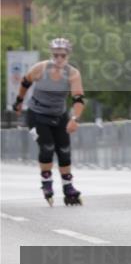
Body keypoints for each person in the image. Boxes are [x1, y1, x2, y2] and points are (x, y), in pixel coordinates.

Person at [12, 37, 86, 206]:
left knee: (64, 150)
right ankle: (47, 183)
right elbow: (25, 82)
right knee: (47, 147)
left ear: (68, 56)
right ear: (51, 55)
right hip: (37, 115)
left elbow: (78, 99)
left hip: (59, 115)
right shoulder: (40, 68)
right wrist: (18, 101)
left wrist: (75, 119)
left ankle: (68, 187)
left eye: (62, 56)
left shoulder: (73, 73)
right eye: (56, 55)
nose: (59, 59)